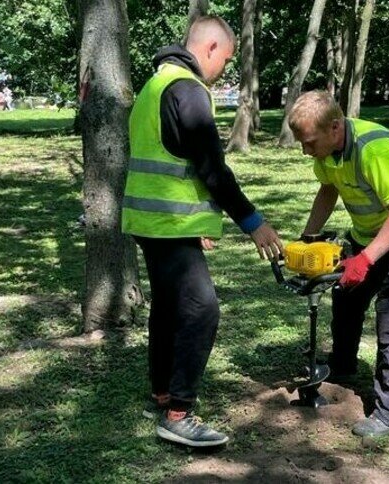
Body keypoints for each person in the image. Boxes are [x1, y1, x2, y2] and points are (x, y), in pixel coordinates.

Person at [121, 15, 283, 448]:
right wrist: (253, 222)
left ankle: (162, 390)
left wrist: (200, 225)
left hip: (149, 220)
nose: (223, 70)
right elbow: (212, 168)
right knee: (202, 308)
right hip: (167, 222)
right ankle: (179, 413)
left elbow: (175, 159)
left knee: (170, 307)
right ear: (210, 48)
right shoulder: (189, 91)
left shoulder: (154, 85)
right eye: (225, 60)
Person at [287, 90, 389, 438]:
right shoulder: (327, 151)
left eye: (309, 143)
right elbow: (328, 191)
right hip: (364, 235)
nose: (306, 151)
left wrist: (366, 259)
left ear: (335, 128)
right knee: (346, 301)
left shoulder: (373, 150)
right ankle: (343, 365)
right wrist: (307, 239)